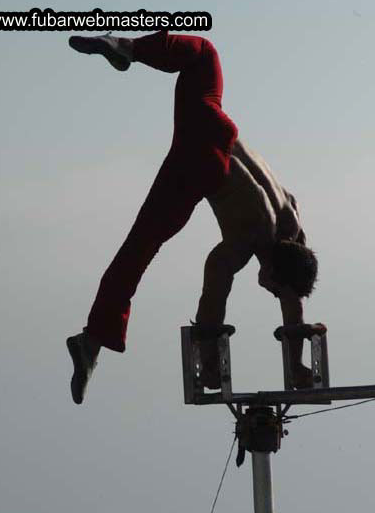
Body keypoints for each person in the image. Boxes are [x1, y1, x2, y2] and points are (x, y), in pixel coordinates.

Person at [66, 31, 318, 404]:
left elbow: (292, 294)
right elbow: (216, 282)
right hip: (202, 165)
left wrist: (296, 359)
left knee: (204, 53)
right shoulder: (251, 237)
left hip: (216, 124)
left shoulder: (289, 216)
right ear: (277, 273)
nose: (266, 288)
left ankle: (127, 47)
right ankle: (92, 341)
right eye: (271, 286)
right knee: (140, 247)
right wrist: (210, 355)